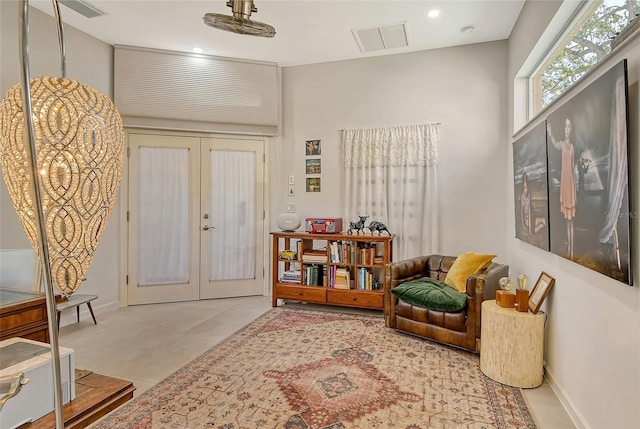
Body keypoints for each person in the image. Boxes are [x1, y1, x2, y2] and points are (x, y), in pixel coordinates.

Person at [547, 118, 577, 259]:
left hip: (570, 184)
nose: (566, 129)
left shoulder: (572, 148)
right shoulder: (561, 144)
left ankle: (572, 249)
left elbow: (572, 168)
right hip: (564, 185)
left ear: (571, 129)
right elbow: (554, 144)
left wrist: (575, 191)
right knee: (567, 220)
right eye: (565, 126)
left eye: (569, 126)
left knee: (571, 220)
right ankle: (570, 250)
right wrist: (550, 133)